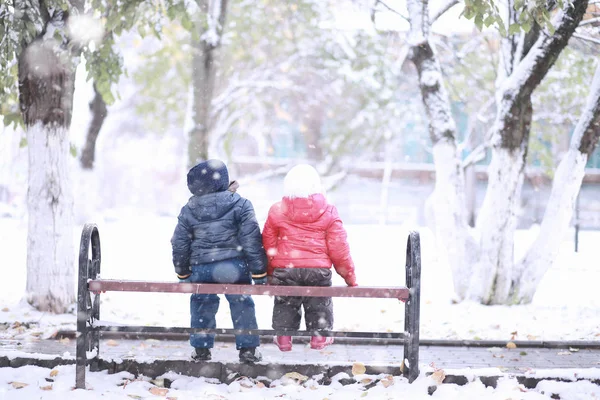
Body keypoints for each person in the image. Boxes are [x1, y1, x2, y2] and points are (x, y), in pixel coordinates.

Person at [171, 159, 268, 363]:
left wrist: (183, 272)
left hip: (201, 267)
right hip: (234, 266)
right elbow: (251, 239)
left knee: (201, 303)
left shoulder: (189, 209)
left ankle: (201, 349)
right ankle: (248, 349)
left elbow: (179, 242)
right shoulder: (241, 204)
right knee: (242, 303)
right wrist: (259, 272)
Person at [262, 164, 357, 352]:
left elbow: (268, 244)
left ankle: (283, 337)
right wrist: (349, 276)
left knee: (286, 302)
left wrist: (271, 271)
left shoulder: (276, 210)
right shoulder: (329, 211)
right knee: (319, 302)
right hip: (317, 270)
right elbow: (339, 248)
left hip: (286, 268)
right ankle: (319, 338)